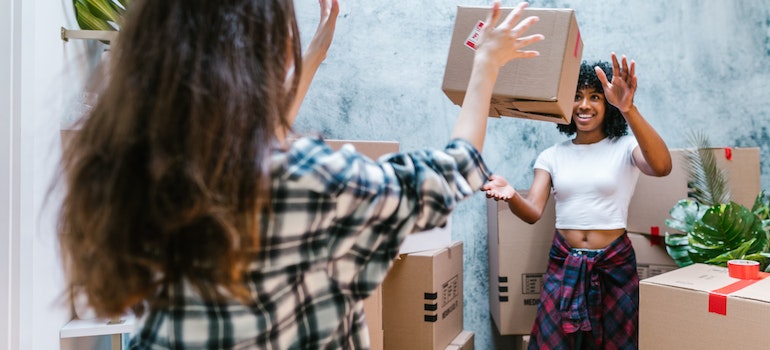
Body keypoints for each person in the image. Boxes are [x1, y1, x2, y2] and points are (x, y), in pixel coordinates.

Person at [55, 0, 544, 348]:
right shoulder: (314, 182)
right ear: (261, 52)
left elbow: (251, 147)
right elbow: (453, 169)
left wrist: (313, 60)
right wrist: (485, 65)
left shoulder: (135, 170)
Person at [482, 54, 672, 349]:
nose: (584, 105)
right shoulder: (552, 155)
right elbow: (533, 211)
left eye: (595, 96)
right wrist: (511, 195)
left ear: (607, 104)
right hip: (564, 264)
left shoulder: (625, 147)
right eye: (576, 96)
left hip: (614, 267)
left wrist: (628, 109)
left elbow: (662, 167)